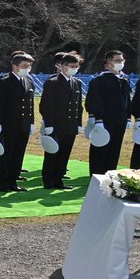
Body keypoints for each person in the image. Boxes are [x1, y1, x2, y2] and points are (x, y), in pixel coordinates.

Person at [39, 52, 84, 190]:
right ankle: (48, 181)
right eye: (72, 66)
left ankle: (58, 180)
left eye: (77, 66)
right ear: (63, 66)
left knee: (64, 154)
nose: (75, 68)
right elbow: (46, 105)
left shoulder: (76, 82)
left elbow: (78, 106)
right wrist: (49, 125)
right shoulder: (53, 82)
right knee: (52, 154)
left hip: (70, 125)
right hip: (56, 125)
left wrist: (78, 123)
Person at [0, 53, 36, 192]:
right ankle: (3, 182)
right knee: (7, 154)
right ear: (15, 66)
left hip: (23, 124)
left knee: (18, 154)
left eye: (29, 66)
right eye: (24, 66)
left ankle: (13, 181)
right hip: (9, 124)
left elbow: (30, 104)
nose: (27, 69)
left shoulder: (29, 81)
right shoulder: (4, 81)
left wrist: (31, 122)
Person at [85, 50, 133, 176]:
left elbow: (127, 99)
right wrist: (98, 119)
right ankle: (96, 174)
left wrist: (128, 117)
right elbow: (94, 101)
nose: (120, 63)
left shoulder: (124, 78)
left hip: (120, 119)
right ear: (107, 63)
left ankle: (110, 173)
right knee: (101, 147)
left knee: (115, 147)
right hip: (105, 120)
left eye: (122, 60)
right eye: (116, 60)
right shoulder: (100, 80)